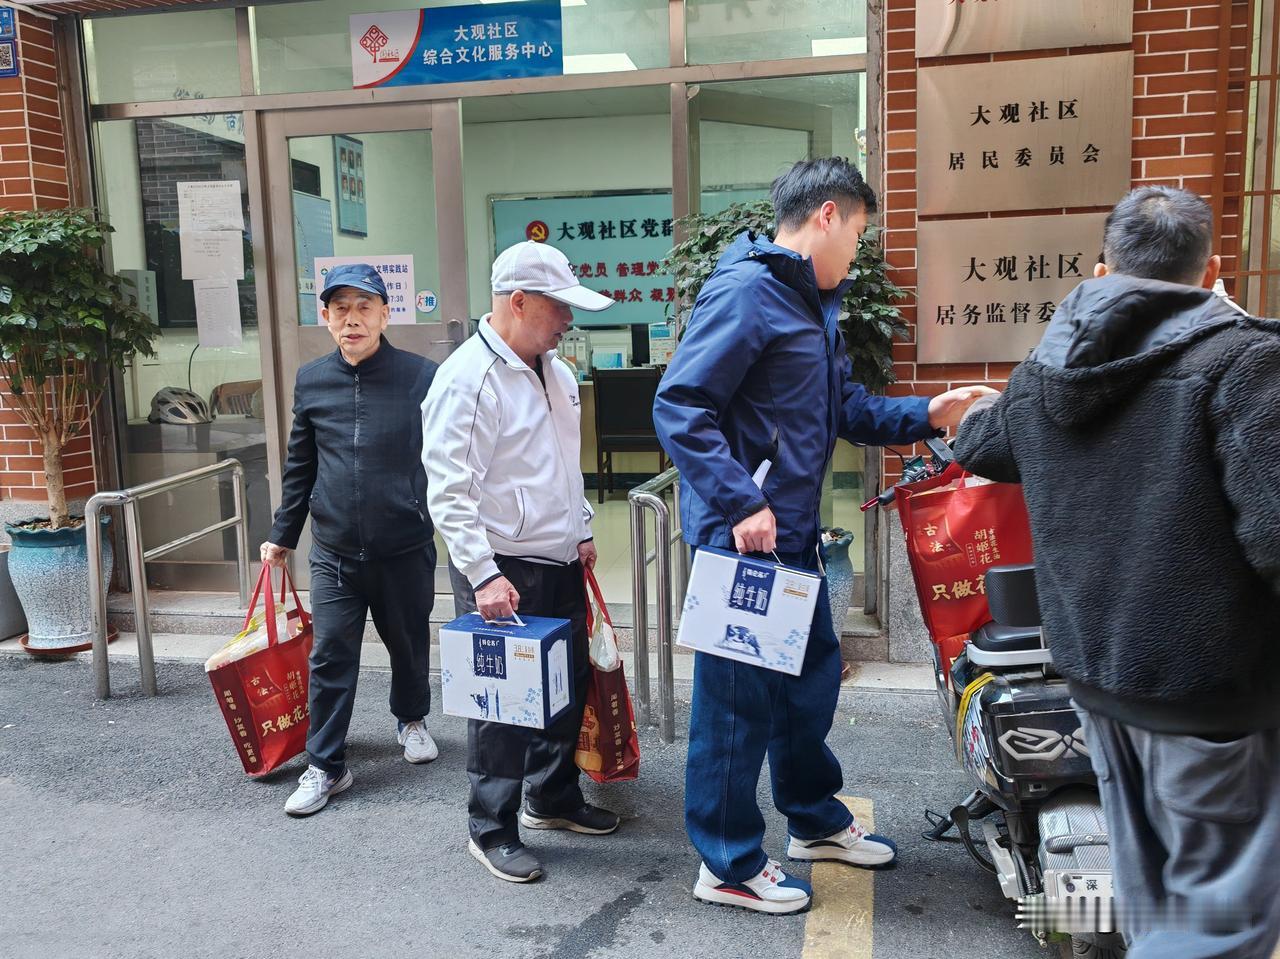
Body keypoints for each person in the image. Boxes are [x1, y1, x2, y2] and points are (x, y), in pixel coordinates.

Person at [652, 156, 995, 914]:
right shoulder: (748, 291)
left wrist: (932, 411)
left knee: (805, 689)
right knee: (736, 704)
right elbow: (679, 406)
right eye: (859, 234)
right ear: (827, 216)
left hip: (794, 536)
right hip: (744, 541)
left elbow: (848, 411)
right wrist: (742, 501)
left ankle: (811, 819)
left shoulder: (813, 305)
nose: (858, 253)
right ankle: (728, 861)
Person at [954, 186, 1280, 958]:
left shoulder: (1045, 373)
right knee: (1218, 922)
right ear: (1212, 272)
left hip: (1097, 681)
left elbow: (982, 444)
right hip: (1212, 694)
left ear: (1103, 269)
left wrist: (976, 408)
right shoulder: (1245, 360)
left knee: (1153, 898)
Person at [422, 241, 620, 884]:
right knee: (503, 704)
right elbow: (450, 488)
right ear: (519, 302)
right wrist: (481, 573)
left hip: (556, 556)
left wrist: (581, 526)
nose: (567, 320)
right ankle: (491, 827)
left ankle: (551, 796)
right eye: (558, 306)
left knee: (564, 688)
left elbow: (563, 467)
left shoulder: (556, 372)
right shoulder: (467, 378)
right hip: (500, 566)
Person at [261, 263, 440, 817]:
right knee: (330, 653)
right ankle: (326, 766)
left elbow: (450, 459)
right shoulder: (312, 379)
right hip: (335, 550)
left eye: (365, 308)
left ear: (386, 314)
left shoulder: (422, 376)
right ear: (325, 318)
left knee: (408, 643)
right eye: (341, 309)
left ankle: (411, 718)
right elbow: (301, 463)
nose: (352, 320)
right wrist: (281, 536)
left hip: (404, 544)